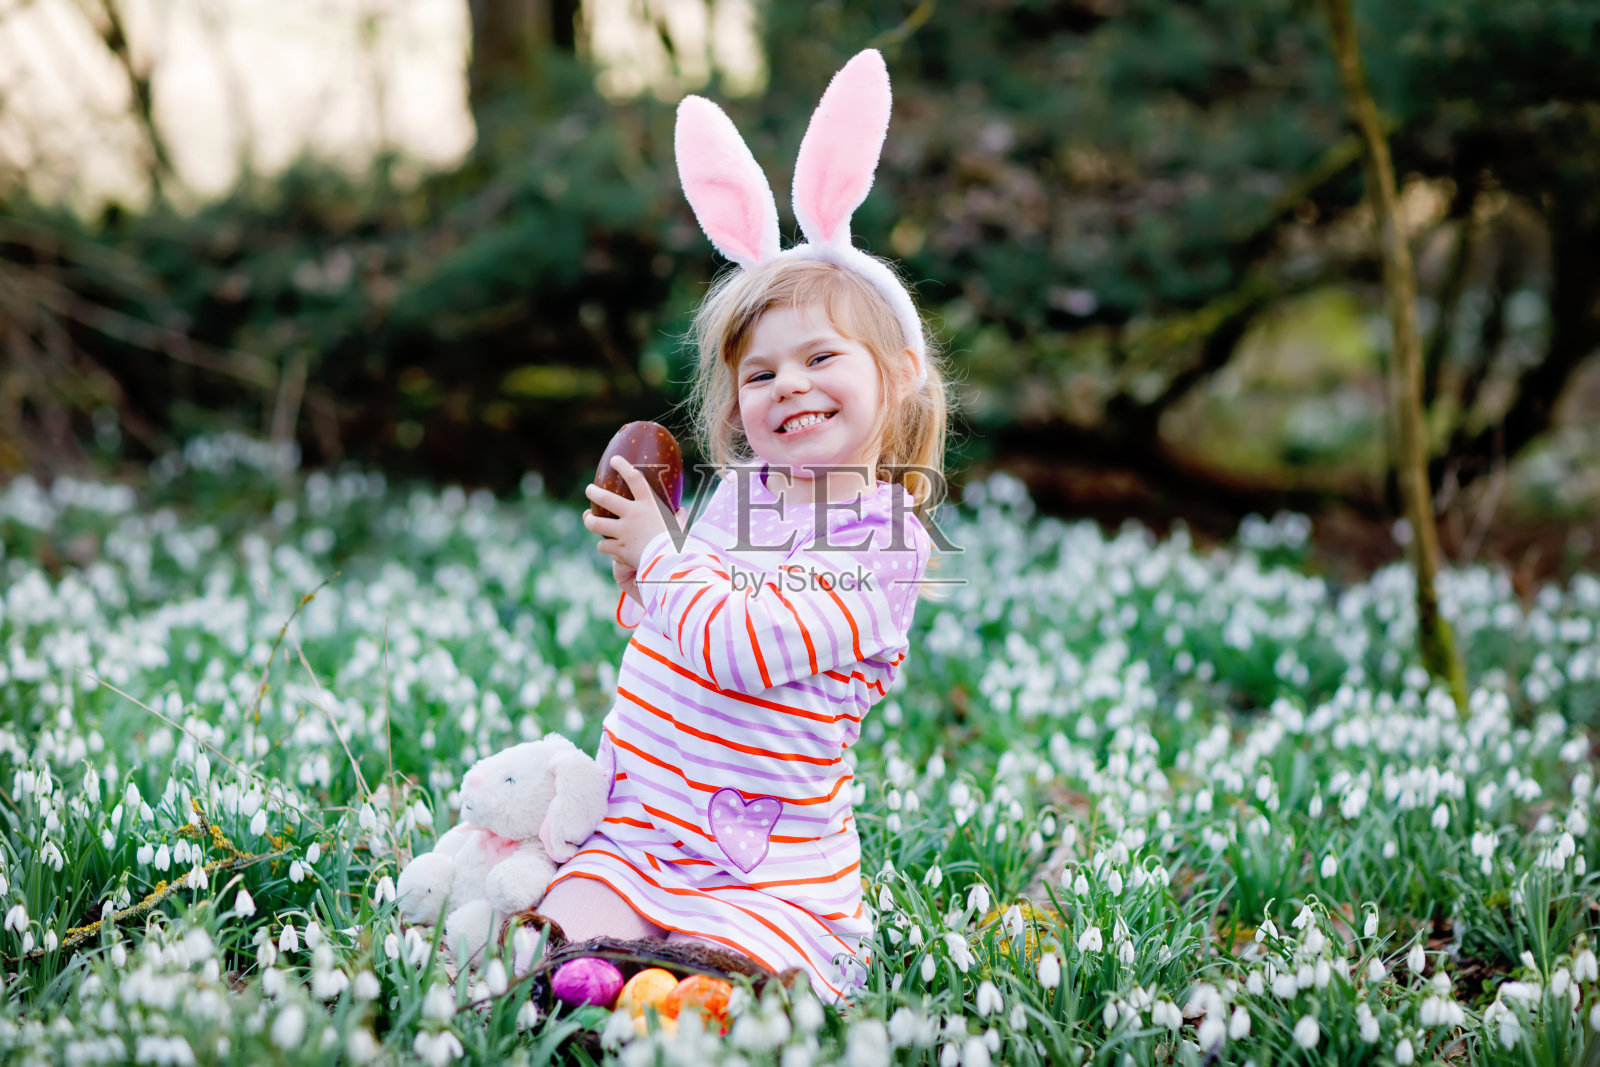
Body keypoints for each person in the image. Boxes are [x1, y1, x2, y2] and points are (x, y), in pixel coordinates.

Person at [539, 48, 950, 1003]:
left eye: (820, 357)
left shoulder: (885, 541)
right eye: (760, 375)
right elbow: (679, 633)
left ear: (895, 373)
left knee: (734, 958)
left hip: (768, 861)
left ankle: (690, 992)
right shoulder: (739, 499)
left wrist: (662, 561)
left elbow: (746, 646)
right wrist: (641, 576)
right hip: (648, 824)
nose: (789, 385)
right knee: (569, 917)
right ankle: (588, 976)